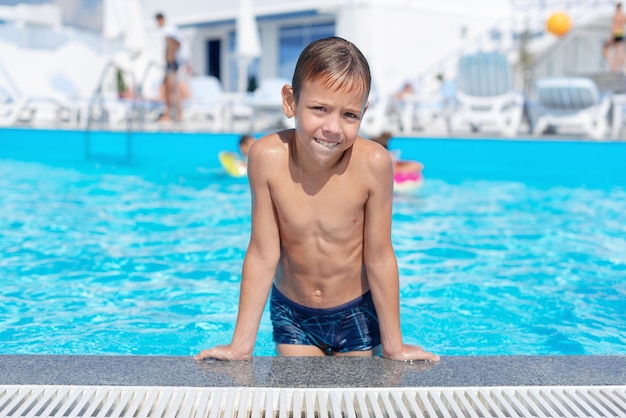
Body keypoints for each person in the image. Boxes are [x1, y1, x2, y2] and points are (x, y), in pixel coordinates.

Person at [194, 37, 439, 362]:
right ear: (290, 101)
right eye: (320, 109)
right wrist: (240, 346)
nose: (333, 128)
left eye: (349, 115)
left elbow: (379, 257)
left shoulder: (374, 165)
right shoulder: (266, 157)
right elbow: (263, 253)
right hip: (294, 316)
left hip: (358, 315)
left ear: (364, 113)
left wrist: (394, 347)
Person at [155, 12, 182, 122]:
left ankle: (174, 114)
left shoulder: (169, 31)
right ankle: (170, 113)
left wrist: (170, 60)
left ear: (160, 20)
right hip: (170, 64)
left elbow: (176, 45)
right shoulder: (168, 31)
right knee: (168, 89)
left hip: (172, 64)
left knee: (172, 89)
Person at [603, 3, 626, 71]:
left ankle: (615, 65)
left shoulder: (616, 15)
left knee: (616, 50)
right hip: (620, 33)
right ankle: (617, 64)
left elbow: (614, 26)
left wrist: (612, 36)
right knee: (617, 50)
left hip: (617, 34)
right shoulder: (622, 15)